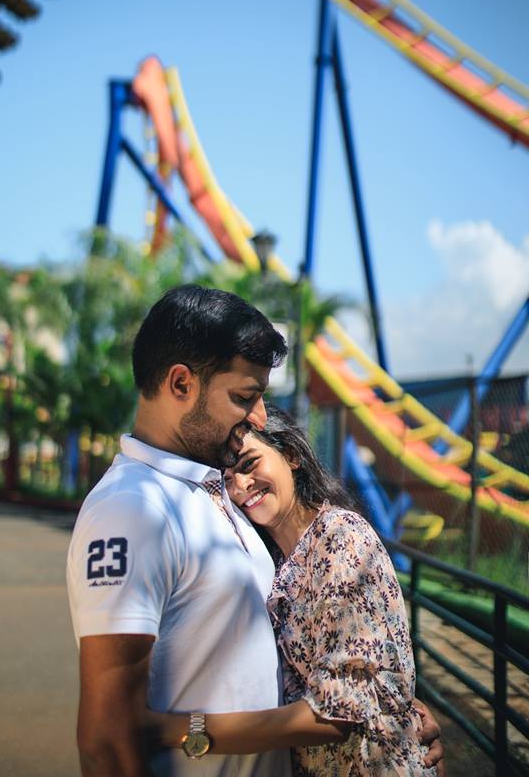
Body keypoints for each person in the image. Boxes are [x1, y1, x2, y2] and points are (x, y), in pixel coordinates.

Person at [67, 284, 443, 777]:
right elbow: (106, 740)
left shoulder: (216, 490)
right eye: (245, 397)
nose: (261, 418)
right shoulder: (133, 509)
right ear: (181, 384)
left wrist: (390, 709)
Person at [149, 406, 439, 775]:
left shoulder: (340, 540)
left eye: (250, 464)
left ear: (292, 455)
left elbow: (336, 715)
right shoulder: (274, 559)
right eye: (227, 479)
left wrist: (182, 728)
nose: (240, 488)